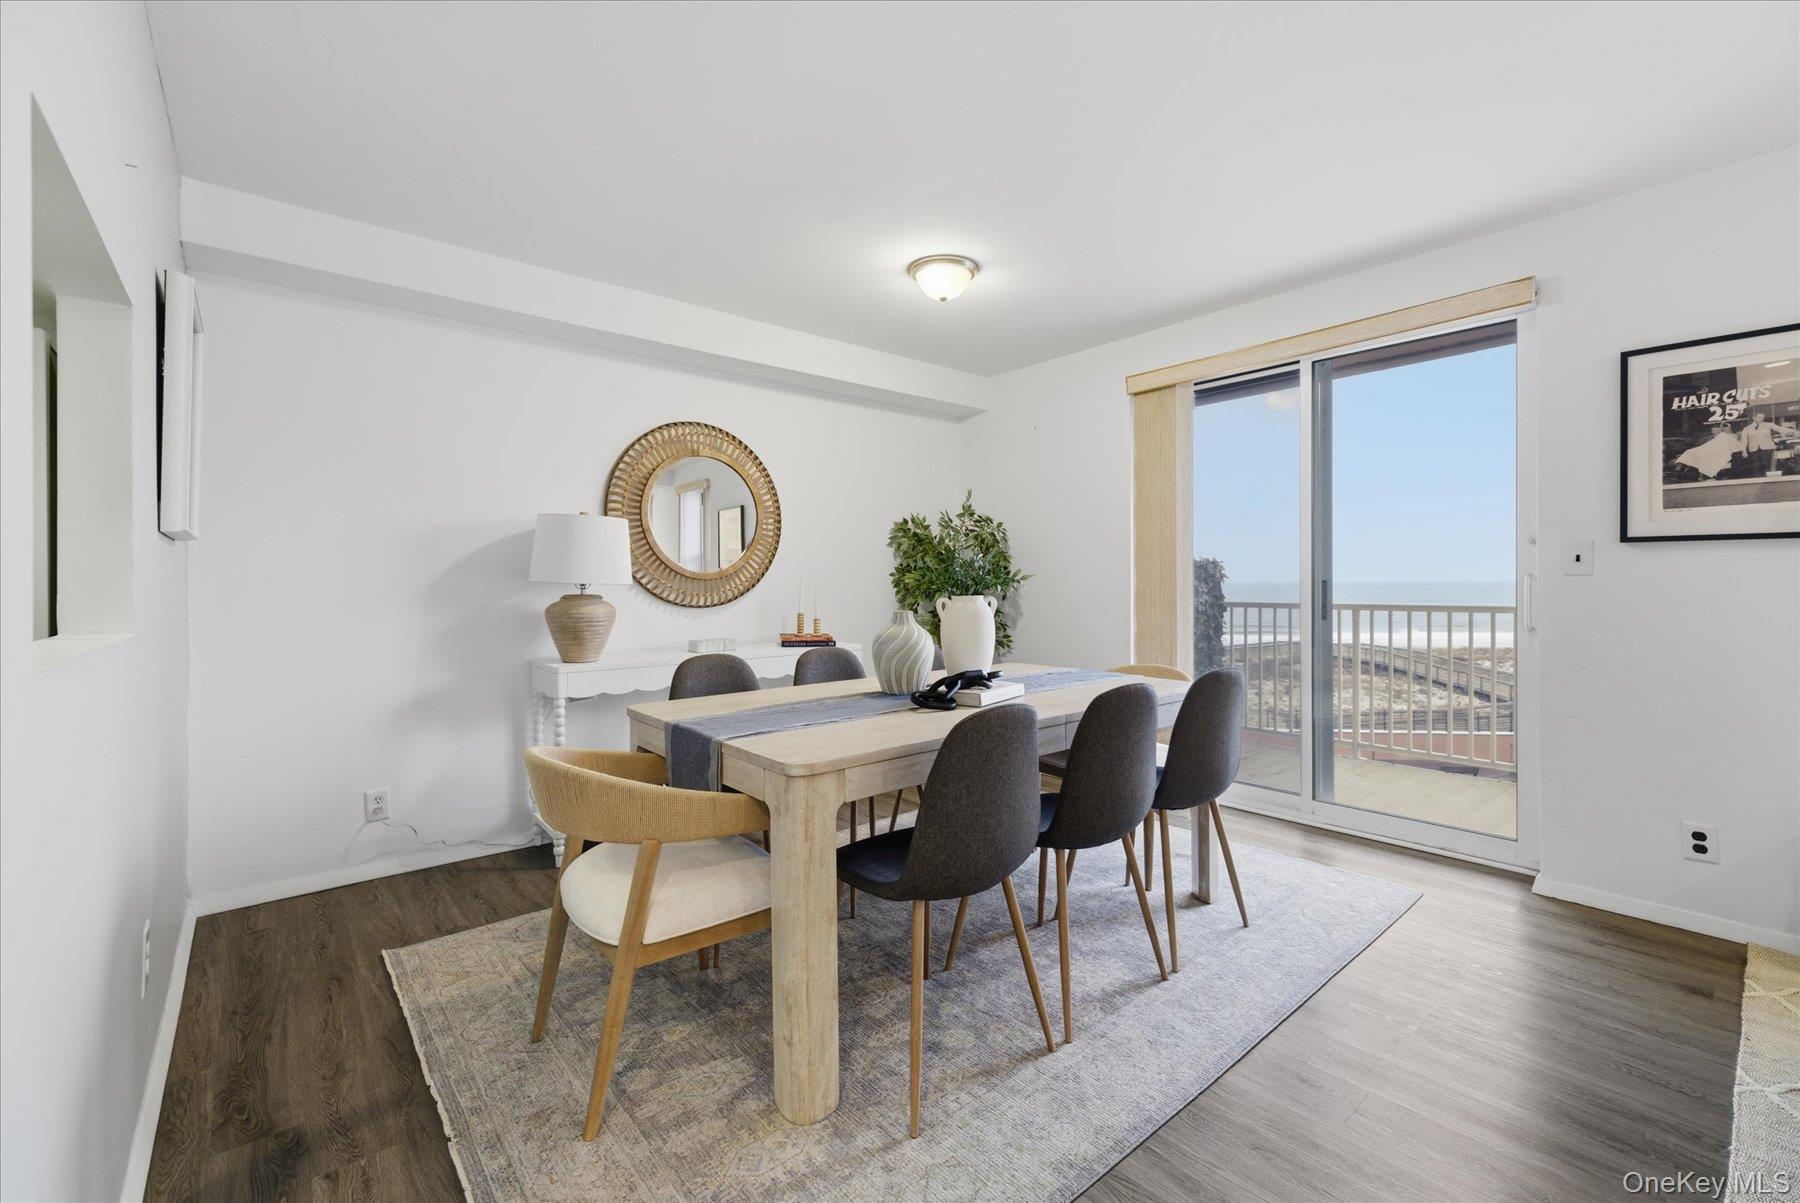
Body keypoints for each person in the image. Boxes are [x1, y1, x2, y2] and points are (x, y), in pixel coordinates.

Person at [1673, 422, 1742, 481]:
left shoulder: (1727, 436)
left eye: (1714, 430)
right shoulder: (1717, 437)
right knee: (1689, 453)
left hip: (1718, 455)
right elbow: (1708, 446)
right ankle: (1681, 472)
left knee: (1692, 455)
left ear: (1720, 430)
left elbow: (1731, 441)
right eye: (1712, 430)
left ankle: (1684, 473)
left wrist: (1727, 429)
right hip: (1709, 453)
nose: (1712, 432)